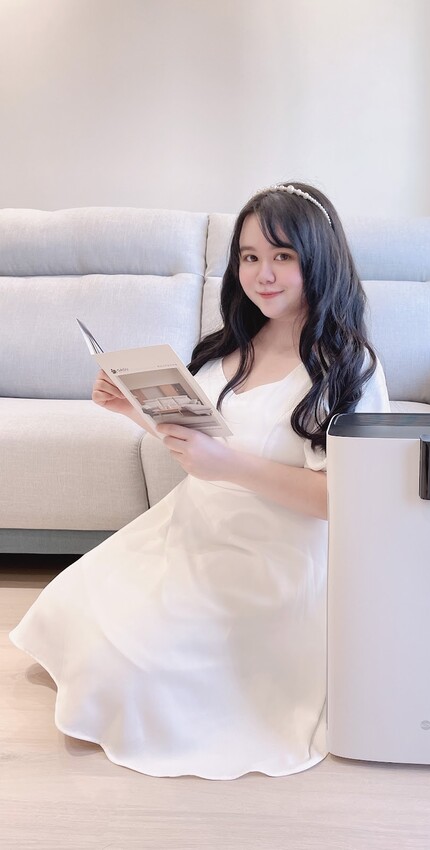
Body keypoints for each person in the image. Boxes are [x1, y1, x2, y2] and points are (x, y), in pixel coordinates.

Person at [10, 182, 390, 780]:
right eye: (249, 257)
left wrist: (227, 467)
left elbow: (341, 500)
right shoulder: (235, 342)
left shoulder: (348, 368)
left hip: (274, 557)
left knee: (132, 670)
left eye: (283, 256)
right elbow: (202, 436)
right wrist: (131, 408)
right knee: (70, 605)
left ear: (319, 259)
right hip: (192, 525)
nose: (263, 275)